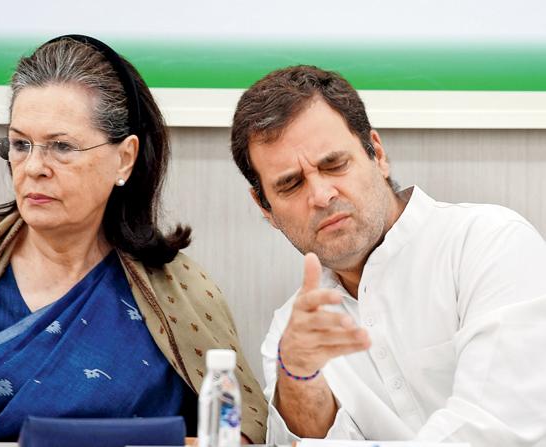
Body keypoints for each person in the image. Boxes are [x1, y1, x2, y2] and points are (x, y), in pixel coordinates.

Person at [0, 35, 267, 447]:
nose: (34, 167)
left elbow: (241, 434)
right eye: (20, 144)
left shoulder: (181, 294)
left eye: (61, 147)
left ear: (125, 158)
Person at [230, 65, 546, 446]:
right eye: (290, 184)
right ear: (265, 208)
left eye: (334, 164)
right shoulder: (290, 331)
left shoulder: (490, 245)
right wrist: (297, 371)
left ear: (377, 154)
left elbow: (495, 433)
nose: (321, 195)